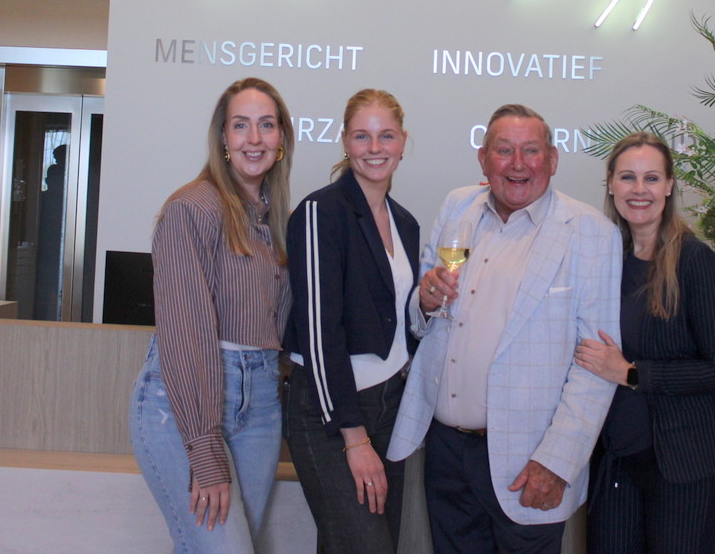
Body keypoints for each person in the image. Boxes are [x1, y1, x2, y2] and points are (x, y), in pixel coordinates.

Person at [388, 103, 623, 554]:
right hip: (446, 452)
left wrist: (557, 462)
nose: (518, 164)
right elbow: (422, 316)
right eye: (503, 150)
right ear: (483, 159)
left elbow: (596, 366)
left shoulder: (591, 232)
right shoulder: (457, 206)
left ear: (552, 160)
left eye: (531, 151)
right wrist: (425, 301)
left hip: (529, 462)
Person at [129, 77, 294, 554]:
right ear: (223, 137)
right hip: (185, 405)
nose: (254, 139)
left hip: (260, 405)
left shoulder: (274, 220)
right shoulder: (191, 208)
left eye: (266, 125)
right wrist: (202, 446)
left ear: (282, 138)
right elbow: (186, 335)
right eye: (240, 125)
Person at [574, 132, 715, 554]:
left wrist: (631, 373)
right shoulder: (605, 259)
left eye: (651, 178)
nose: (639, 189)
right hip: (616, 458)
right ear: (610, 184)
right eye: (628, 177)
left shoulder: (693, 259)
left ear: (669, 186)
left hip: (686, 461)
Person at [283, 88, 419, 553]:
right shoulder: (321, 212)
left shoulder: (405, 222)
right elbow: (319, 333)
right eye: (362, 136)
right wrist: (354, 437)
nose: (375, 148)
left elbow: (394, 319)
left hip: (390, 406)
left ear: (403, 142)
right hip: (333, 413)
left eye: (386, 135)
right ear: (344, 141)